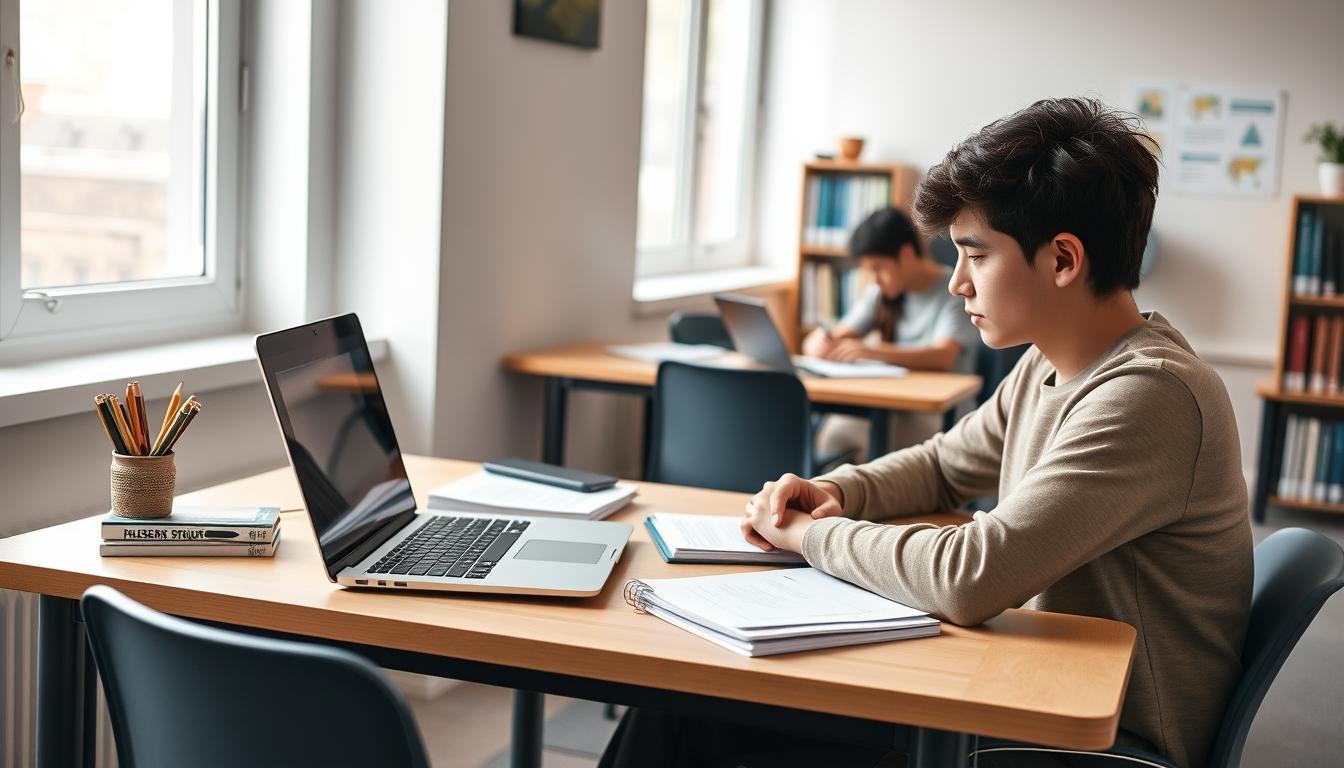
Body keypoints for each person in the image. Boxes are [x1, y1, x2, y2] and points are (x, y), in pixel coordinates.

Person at [601, 97, 1253, 768]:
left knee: (695, 718)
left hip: (1097, 743)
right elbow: (945, 465)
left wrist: (808, 536)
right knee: (684, 705)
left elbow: (971, 576)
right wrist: (837, 492)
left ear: (1062, 259)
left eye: (976, 255)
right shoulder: (1049, 363)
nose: (956, 283)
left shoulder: (1150, 394)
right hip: (1026, 684)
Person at [804, 208, 980, 459]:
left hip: (938, 415)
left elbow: (943, 356)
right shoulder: (881, 292)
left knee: (850, 440)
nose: (873, 279)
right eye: (868, 270)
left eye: (878, 268)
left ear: (906, 254)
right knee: (834, 435)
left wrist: (872, 351)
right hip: (891, 407)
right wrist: (817, 342)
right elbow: (839, 335)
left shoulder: (953, 290)